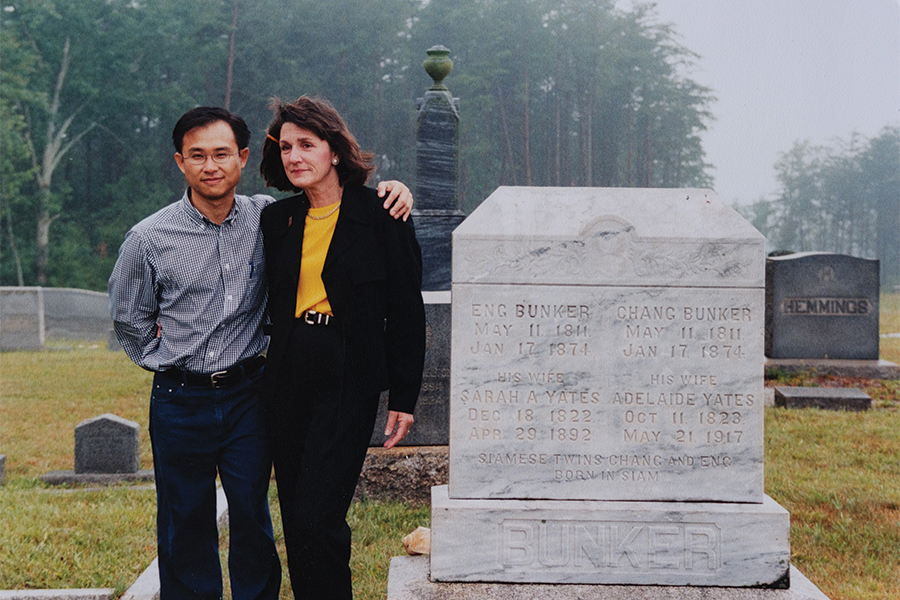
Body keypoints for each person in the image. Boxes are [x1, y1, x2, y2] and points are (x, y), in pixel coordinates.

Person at [108, 105, 413, 600]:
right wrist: (170, 361)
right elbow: (129, 318)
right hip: (181, 401)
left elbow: (339, 216)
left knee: (253, 515)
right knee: (185, 519)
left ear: (243, 158)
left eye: (222, 154)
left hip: (251, 394)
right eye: (198, 155)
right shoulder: (148, 239)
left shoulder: (263, 217)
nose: (211, 166)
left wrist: (396, 189)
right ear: (180, 162)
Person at [257, 96, 425, 599]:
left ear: (335, 150)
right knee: (297, 521)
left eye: (307, 144)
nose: (294, 156)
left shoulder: (382, 213)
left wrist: (403, 397)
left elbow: (407, 312)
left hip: (347, 376)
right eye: (286, 147)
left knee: (319, 514)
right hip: (286, 377)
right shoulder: (277, 221)